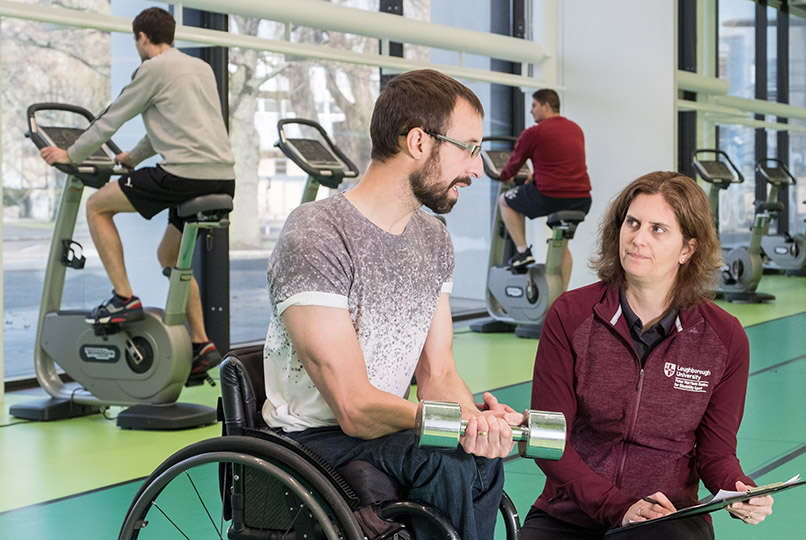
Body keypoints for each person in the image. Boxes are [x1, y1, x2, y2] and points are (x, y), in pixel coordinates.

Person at [262, 69, 520, 540]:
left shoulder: (433, 239)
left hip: (386, 432)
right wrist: (457, 422)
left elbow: (439, 374)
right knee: (443, 462)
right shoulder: (316, 234)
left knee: (479, 460)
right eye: (469, 148)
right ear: (419, 142)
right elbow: (354, 407)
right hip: (312, 440)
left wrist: (478, 425)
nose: (477, 169)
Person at [521, 171, 775, 539]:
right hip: (571, 512)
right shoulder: (570, 315)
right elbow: (549, 441)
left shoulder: (725, 338)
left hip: (667, 516)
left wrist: (738, 489)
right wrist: (617, 506)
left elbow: (716, 454)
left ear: (687, 250)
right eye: (633, 223)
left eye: (658, 229)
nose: (638, 238)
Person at [39, 7, 235, 375]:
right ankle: (201, 342)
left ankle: (123, 298)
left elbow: (111, 119)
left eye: (135, 41)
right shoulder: (200, 68)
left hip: (183, 175)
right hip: (223, 177)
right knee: (169, 256)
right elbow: (177, 127)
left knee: (97, 206)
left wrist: (70, 154)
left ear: (142, 38)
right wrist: (133, 157)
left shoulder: (153, 69)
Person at [498, 88, 591, 291]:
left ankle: (522, 252)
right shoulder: (575, 129)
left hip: (550, 196)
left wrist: (502, 175)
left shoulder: (534, 133)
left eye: (534, 105)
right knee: (562, 246)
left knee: (504, 200)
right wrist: (537, 175)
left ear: (546, 106)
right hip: (581, 199)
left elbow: (512, 167)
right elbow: (562, 164)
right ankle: (562, 297)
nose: (531, 111)